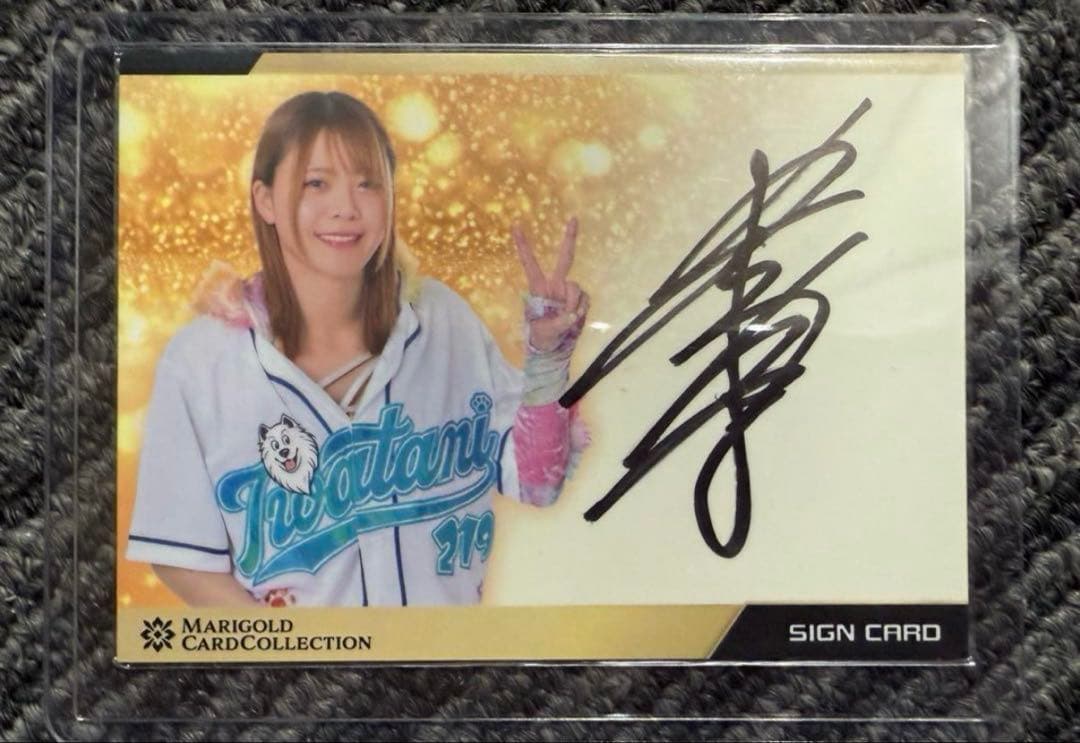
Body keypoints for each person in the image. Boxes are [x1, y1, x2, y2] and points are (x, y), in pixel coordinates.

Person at [125, 91, 590, 607]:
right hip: (302, 661)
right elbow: (182, 557)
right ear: (265, 199)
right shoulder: (200, 360)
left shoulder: (442, 319)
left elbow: (536, 482)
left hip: (445, 653)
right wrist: (283, 652)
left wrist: (547, 359)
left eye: (368, 183)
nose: (346, 208)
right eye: (316, 183)